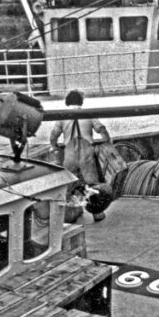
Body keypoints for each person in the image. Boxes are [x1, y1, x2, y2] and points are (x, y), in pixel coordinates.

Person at [49, 90, 113, 222]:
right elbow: (102, 129)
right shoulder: (89, 114)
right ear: (80, 101)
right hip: (87, 154)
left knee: (68, 186)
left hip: (69, 155)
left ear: (67, 101)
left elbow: (53, 135)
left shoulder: (61, 116)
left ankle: (67, 217)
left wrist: (54, 146)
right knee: (92, 186)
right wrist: (107, 142)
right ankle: (97, 214)